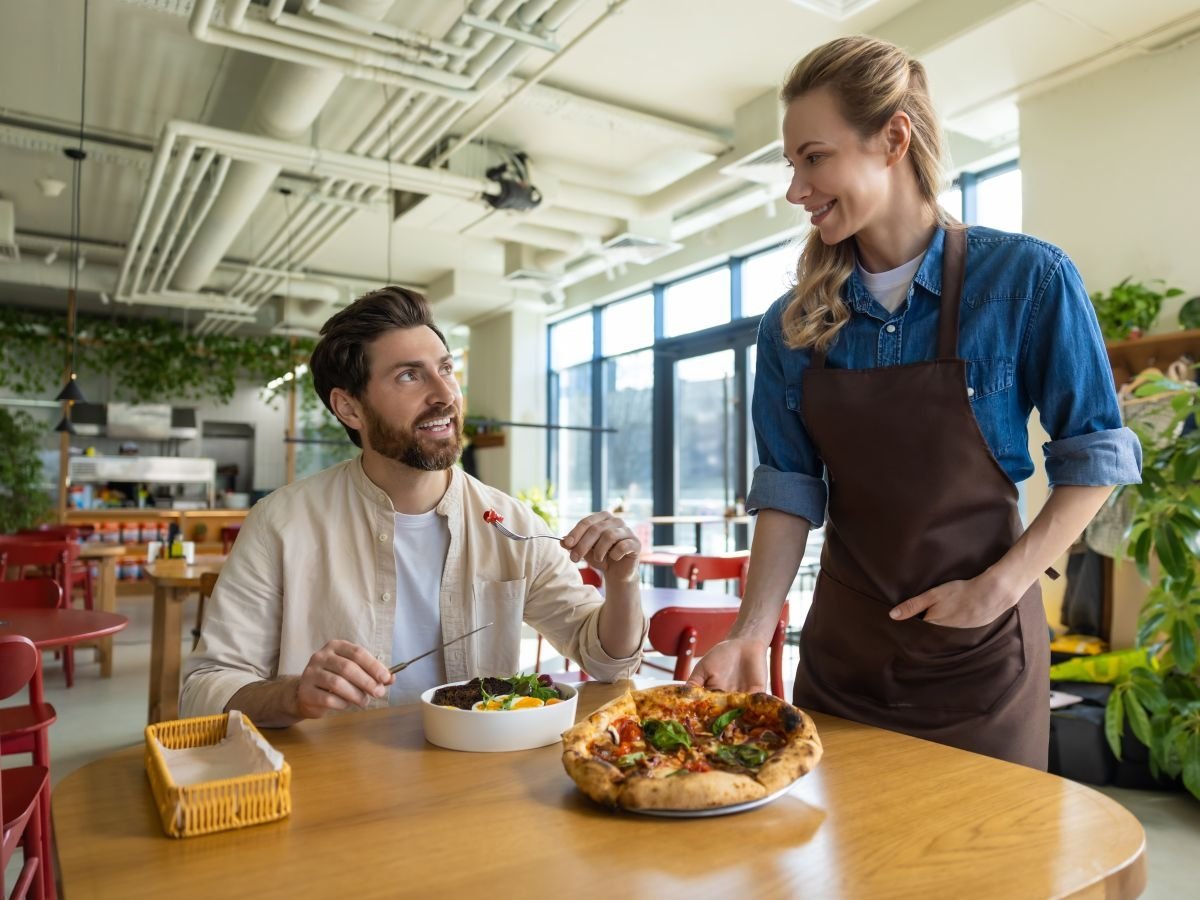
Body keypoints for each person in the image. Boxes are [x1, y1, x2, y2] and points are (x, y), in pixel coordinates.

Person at [688, 36, 1142, 770]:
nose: (795, 189)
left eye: (813, 157)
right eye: (792, 164)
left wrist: (998, 587)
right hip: (844, 660)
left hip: (983, 658)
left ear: (892, 138)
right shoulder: (791, 327)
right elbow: (790, 491)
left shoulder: (1027, 280)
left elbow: (1093, 456)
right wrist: (751, 630)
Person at [181, 287, 646, 725]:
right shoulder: (282, 523)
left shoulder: (512, 523)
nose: (444, 395)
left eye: (446, 369)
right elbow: (205, 687)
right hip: (338, 787)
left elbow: (606, 660)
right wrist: (293, 695)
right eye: (409, 375)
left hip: (474, 777)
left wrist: (621, 581)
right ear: (350, 409)